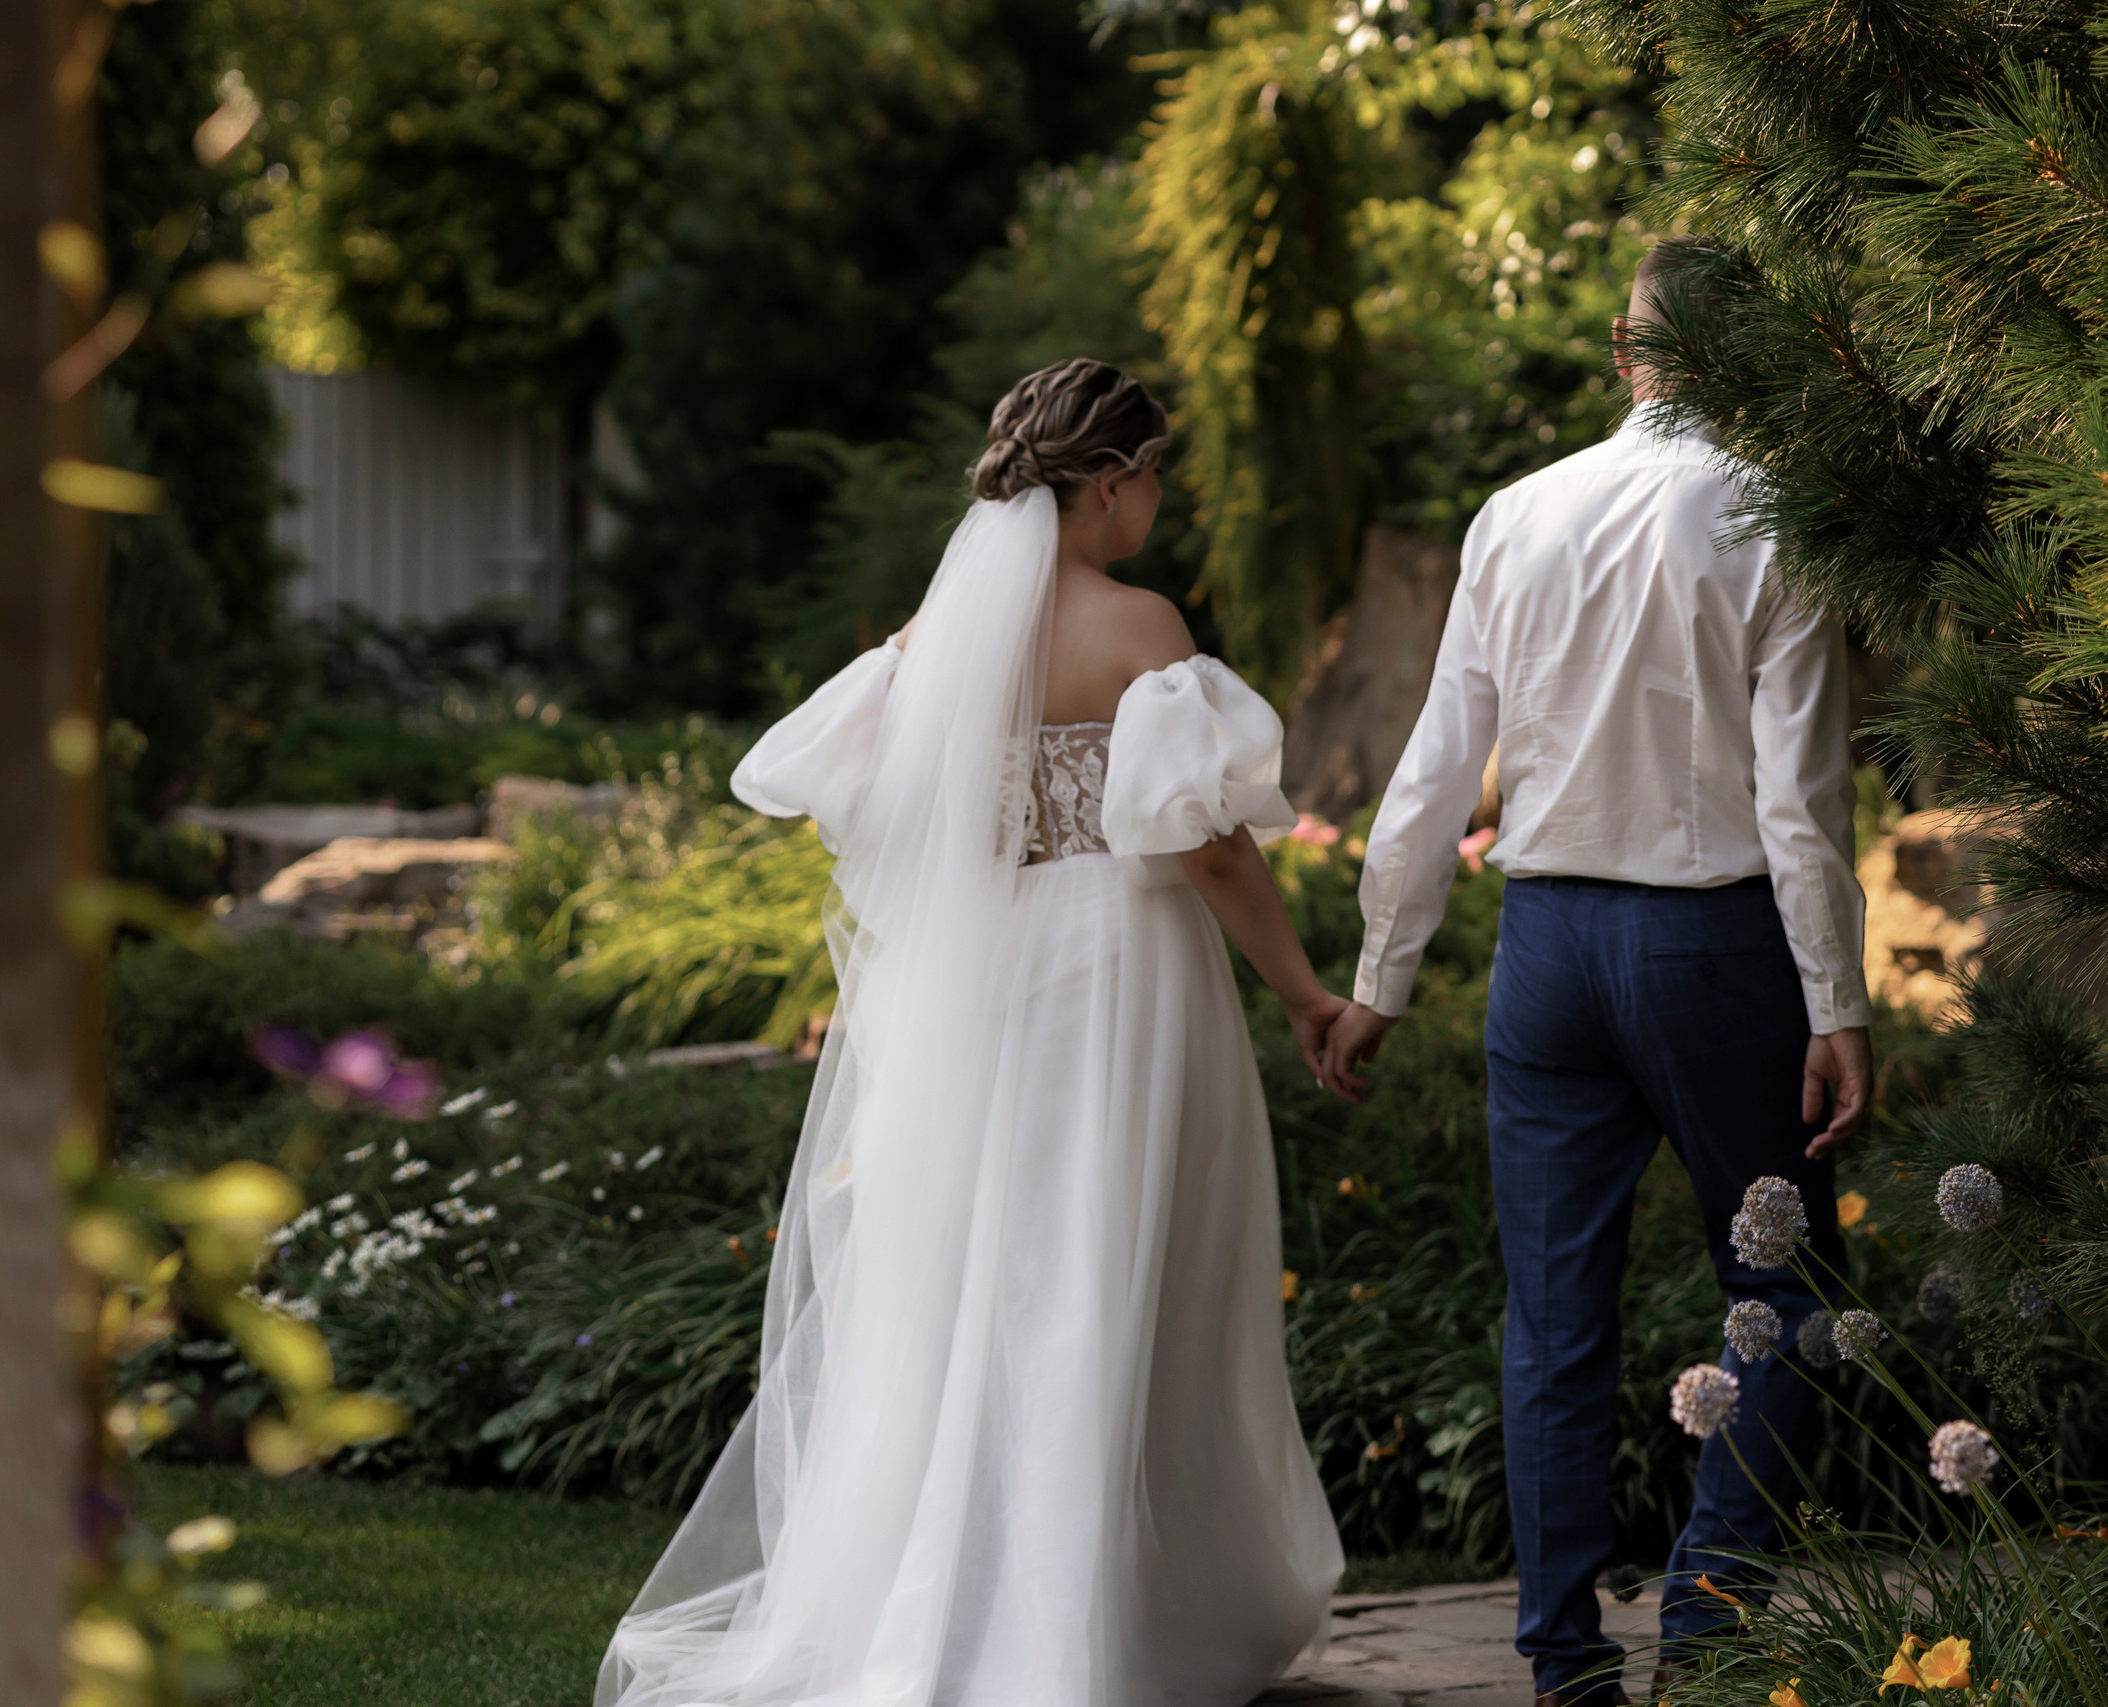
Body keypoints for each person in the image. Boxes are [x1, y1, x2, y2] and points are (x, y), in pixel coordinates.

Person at [597, 359, 1346, 1707]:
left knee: (983, 1286)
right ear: (1110, 482)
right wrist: (1303, 991)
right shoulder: (1141, 628)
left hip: (989, 982)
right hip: (1124, 974)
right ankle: (1098, 1626)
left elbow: (866, 808)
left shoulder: (932, 643)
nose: (1157, 501)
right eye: (1154, 475)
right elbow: (1215, 850)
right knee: (1122, 1274)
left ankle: (960, 1603)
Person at [1322, 239, 1875, 1705]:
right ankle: (1705, 1619)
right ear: (1746, 363)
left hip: (1547, 953)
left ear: (1622, 356)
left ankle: (1563, 1658)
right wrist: (1840, 1002)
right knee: (1788, 1294)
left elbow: (1435, 770)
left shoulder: (1515, 515)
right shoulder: (1779, 520)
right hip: (1713, 949)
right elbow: (1799, 801)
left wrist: (1382, 978)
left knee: (1553, 1320)